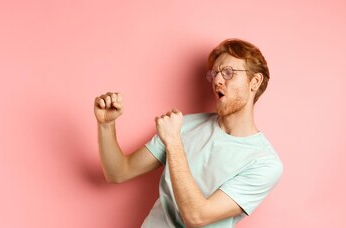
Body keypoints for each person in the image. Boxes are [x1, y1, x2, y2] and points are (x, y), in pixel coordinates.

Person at [93, 38, 283, 227]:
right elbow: (118, 172)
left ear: (255, 82)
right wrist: (106, 125)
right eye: (214, 74)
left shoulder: (264, 163)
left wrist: (174, 142)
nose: (217, 80)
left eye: (227, 73)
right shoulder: (184, 125)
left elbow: (197, 217)